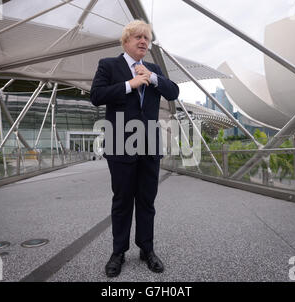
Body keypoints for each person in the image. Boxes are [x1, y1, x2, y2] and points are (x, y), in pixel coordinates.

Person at [90, 20, 179, 278]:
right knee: (122, 200)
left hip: (149, 144)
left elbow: (173, 92)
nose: (144, 42)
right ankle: (118, 252)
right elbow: (96, 95)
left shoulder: (152, 69)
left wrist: (151, 78)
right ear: (126, 41)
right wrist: (131, 84)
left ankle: (147, 249)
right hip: (121, 143)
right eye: (138, 37)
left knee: (147, 200)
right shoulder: (109, 65)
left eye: (147, 39)